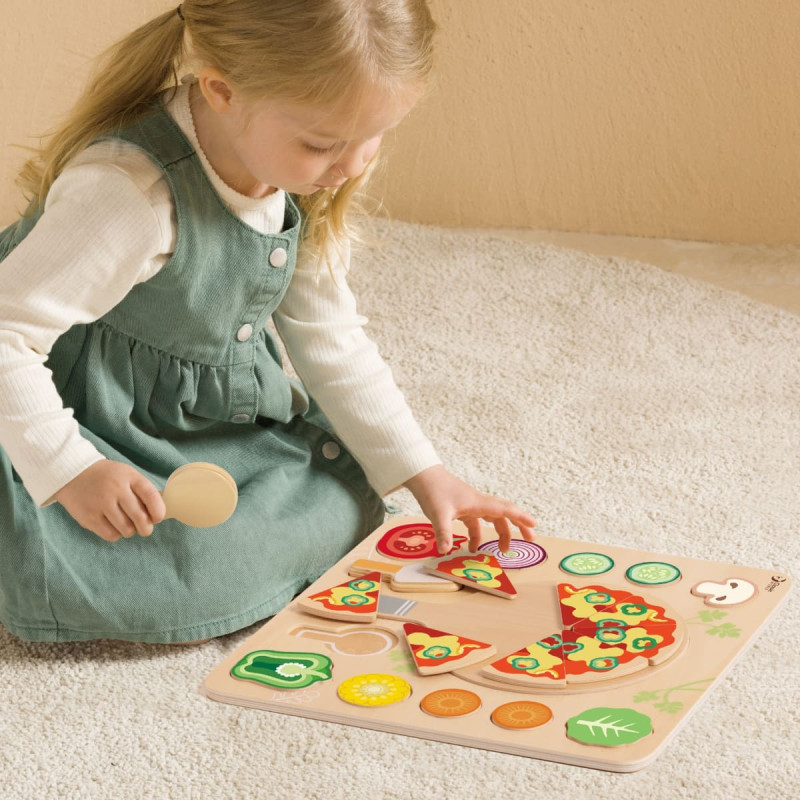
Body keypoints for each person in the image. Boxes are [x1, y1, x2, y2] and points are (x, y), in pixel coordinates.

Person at [0, 0, 535, 644]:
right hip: (66, 410)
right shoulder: (128, 193)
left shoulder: (292, 173)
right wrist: (70, 469)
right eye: (323, 144)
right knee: (176, 569)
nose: (354, 165)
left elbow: (331, 339)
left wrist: (427, 474)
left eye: (375, 136)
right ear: (222, 92)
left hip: (189, 419)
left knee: (343, 495)